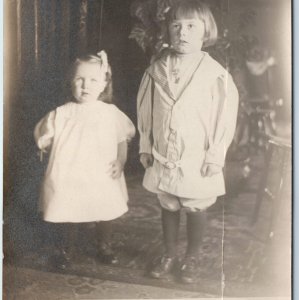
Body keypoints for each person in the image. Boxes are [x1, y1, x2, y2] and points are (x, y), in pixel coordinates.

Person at [137, 0, 239, 284]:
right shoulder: (157, 70)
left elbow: (224, 116)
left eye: (191, 26)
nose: (183, 32)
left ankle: (191, 257)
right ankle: (169, 253)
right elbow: (145, 108)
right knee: (168, 201)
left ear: (206, 32)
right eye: (176, 26)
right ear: (168, 31)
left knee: (195, 204)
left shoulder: (215, 74)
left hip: (197, 154)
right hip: (164, 151)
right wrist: (146, 144)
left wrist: (215, 154)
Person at [34, 51, 135, 269]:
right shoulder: (61, 113)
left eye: (93, 80)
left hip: (100, 172)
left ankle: (104, 245)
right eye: (79, 80)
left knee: (104, 207)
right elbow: (44, 138)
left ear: (104, 84)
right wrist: (45, 144)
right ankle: (66, 249)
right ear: (71, 83)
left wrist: (120, 161)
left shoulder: (110, 113)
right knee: (68, 207)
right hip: (70, 171)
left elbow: (121, 140)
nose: (85, 86)